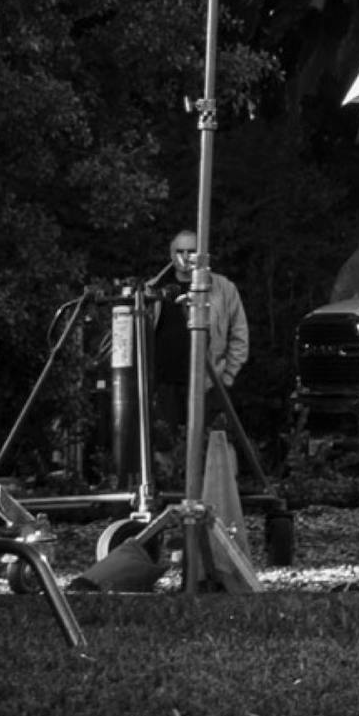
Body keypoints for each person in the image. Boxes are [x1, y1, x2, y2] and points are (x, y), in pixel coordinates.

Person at [151, 229, 253, 565]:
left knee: (214, 445)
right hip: (165, 383)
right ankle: (168, 517)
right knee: (164, 448)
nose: (185, 257)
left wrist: (227, 376)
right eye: (179, 251)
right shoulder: (154, 290)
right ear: (171, 254)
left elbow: (239, 334)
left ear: (203, 254)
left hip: (208, 383)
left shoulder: (222, 288)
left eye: (192, 251)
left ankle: (220, 516)